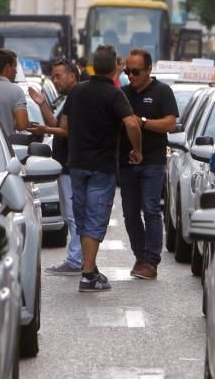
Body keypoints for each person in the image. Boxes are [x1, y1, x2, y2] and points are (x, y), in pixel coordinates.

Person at [59, 45, 143, 292]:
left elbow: (63, 124)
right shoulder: (115, 94)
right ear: (114, 68)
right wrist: (137, 150)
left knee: (83, 216)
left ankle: (91, 267)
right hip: (102, 165)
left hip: (77, 164)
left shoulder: (76, 92)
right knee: (96, 218)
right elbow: (131, 123)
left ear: (93, 66)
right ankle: (87, 275)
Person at [117, 49, 178, 280]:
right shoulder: (122, 94)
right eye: (127, 71)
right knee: (130, 213)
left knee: (151, 208)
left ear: (149, 70)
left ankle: (151, 261)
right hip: (126, 161)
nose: (130, 76)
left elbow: (170, 124)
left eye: (135, 71)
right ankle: (140, 257)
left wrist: (142, 123)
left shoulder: (162, 91)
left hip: (152, 160)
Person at [28, 60, 83, 275]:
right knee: (71, 215)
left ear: (72, 76)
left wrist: (45, 128)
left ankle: (76, 260)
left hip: (71, 164)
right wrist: (42, 104)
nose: (55, 80)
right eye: (53, 76)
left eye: (58, 76)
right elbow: (57, 125)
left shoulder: (77, 98)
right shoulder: (67, 100)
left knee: (73, 215)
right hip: (65, 165)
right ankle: (77, 258)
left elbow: (68, 132)